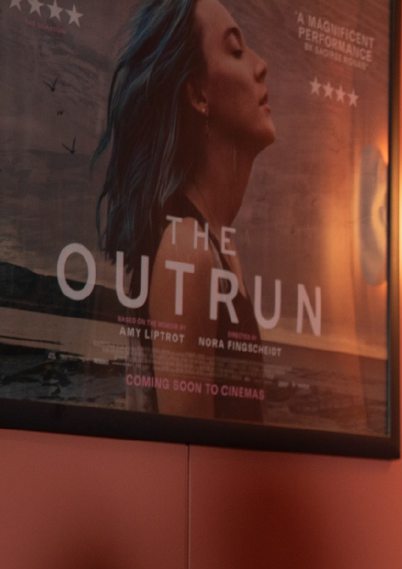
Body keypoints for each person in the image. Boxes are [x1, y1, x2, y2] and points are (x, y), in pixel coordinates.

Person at [96, 0, 276, 421]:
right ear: (198, 94)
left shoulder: (216, 247)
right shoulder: (187, 250)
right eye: (235, 51)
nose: (261, 65)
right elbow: (188, 458)